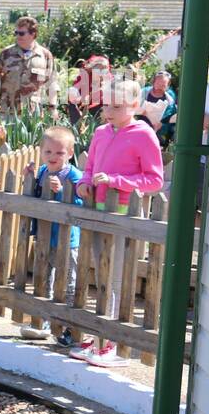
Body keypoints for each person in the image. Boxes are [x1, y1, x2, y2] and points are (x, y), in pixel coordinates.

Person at [70, 79, 164, 368]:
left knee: (115, 278)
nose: (108, 110)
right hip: (98, 212)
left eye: (117, 106)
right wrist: (84, 183)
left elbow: (155, 180)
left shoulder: (144, 134)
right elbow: (89, 167)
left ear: (135, 106)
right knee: (100, 273)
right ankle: (97, 334)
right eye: (106, 104)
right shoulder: (100, 132)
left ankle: (109, 341)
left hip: (124, 216)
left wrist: (116, 182)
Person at [19, 126, 83, 348]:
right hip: (45, 239)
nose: (53, 157)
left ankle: (68, 326)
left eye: (59, 153)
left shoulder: (75, 176)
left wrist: (63, 192)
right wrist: (29, 178)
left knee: (68, 283)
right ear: (41, 152)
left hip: (68, 241)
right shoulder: (44, 173)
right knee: (45, 279)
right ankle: (45, 322)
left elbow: (82, 205)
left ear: (70, 154)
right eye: (48, 152)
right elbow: (36, 196)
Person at [0, 16, 58, 116]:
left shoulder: (45, 56)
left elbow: (52, 83)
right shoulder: (6, 54)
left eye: (21, 33)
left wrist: (53, 108)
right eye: (16, 33)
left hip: (33, 112)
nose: (18, 36)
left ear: (33, 34)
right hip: (8, 111)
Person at [65, 54, 112, 125]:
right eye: (98, 69)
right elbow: (74, 90)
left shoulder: (108, 78)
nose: (101, 72)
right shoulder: (85, 75)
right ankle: (76, 127)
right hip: (80, 104)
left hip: (97, 106)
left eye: (104, 69)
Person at [137, 70, 177, 150]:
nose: (159, 87)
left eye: (163, 85)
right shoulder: (143, 92)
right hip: (140, 129)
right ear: (153, 82)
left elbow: (171, 115)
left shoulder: (170, 97)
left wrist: (162, 125)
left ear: (168, 86)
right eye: (158, 84)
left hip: (160, 133)